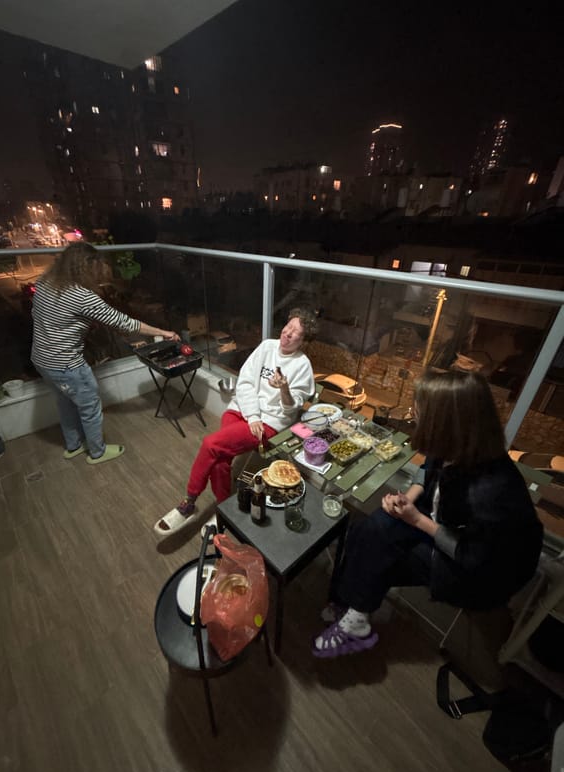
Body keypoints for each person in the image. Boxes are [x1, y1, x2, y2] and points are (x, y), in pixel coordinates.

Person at [313, 369, 543, 658]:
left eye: (418, 409)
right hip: (443, 520)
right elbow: (427, 470)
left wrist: (415, 519)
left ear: (444, 420)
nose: (413, 414)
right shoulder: (453, 443)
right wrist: (406, 499)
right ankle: (350, 605)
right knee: (365, 529)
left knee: (381, 553)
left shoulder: (490, 490)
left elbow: (474, 556)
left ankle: (355, 612)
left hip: (478, 571)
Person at [155, 307, 318, 533]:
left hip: (269, 423)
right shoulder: (266, 347)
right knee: (221, 460)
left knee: (210, 444)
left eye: (295, 332)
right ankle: (225, 509)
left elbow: (291, 410)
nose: (287, 333)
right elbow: (244, 382)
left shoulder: (302, 366)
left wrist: (285, 389)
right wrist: (252, 415)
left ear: (303, 340)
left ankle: (189, 502)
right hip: (242, 411)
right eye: (288, 327)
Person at [31, 242, 179, 465]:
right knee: (89, 407)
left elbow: (37, 315)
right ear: (86, 267)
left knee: (65, 402)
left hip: (42, 360)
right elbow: (124, 323)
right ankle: (97, 452)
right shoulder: (80, 296)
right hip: (67, 365)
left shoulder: (44, 283)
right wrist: (163, 332)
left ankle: (73, 446)